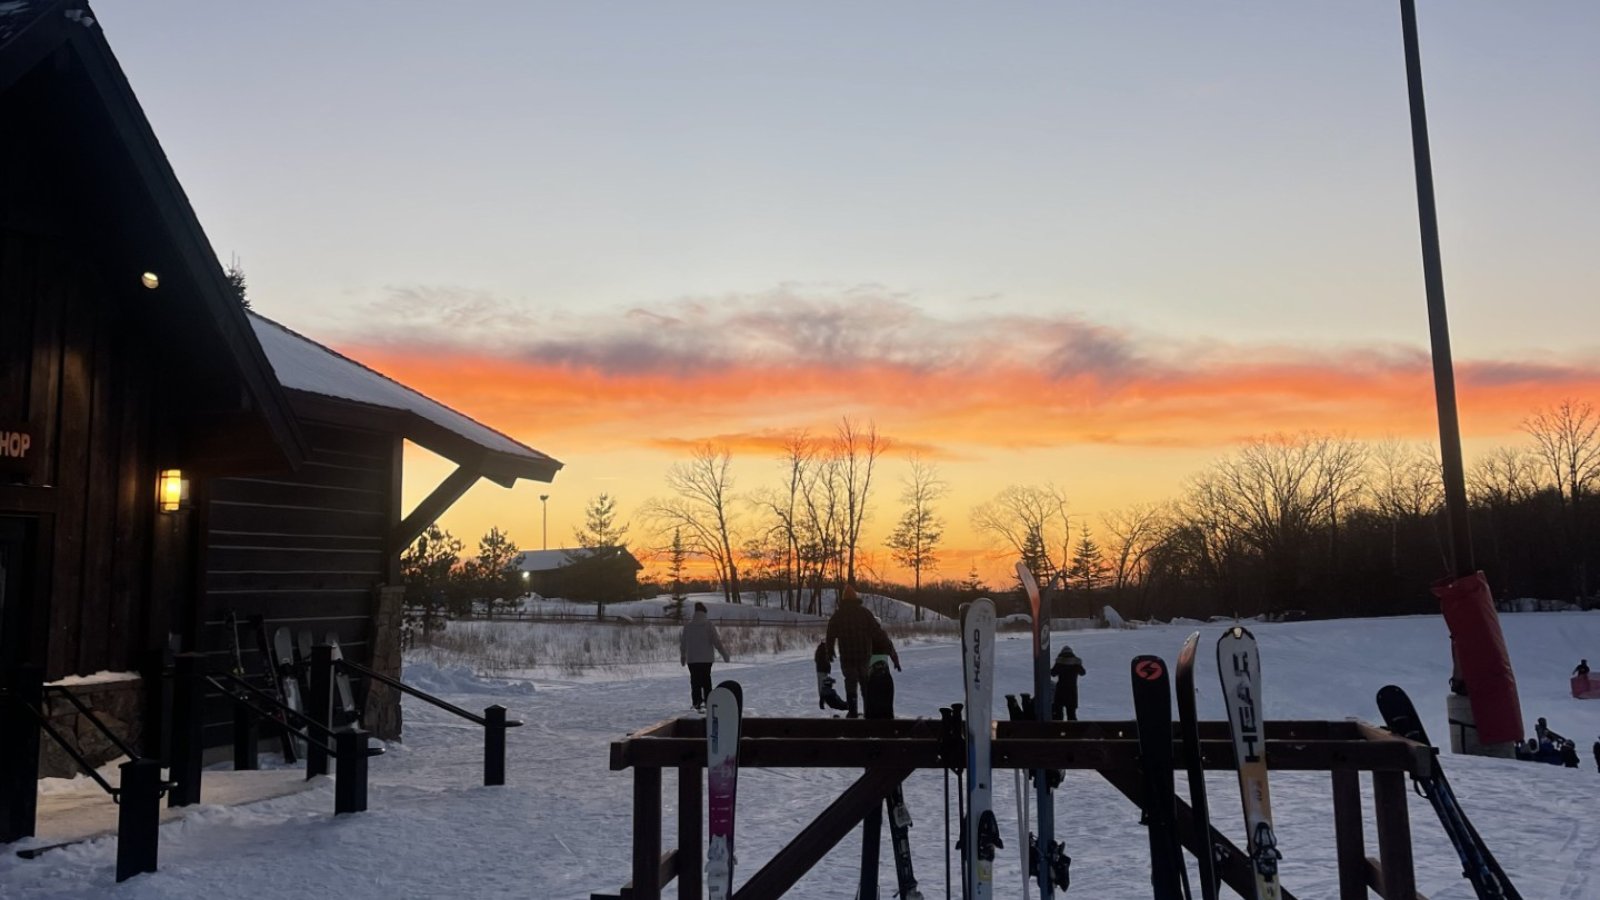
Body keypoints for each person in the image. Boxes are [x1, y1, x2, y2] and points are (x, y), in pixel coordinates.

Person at [825, 584, 883, 718]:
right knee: (865, 683)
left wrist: (830, 650)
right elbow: (876, 632)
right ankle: (869, 711)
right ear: (856, 597)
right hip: (864, 656)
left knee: (850, 683)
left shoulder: (838, 616)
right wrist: (885, 646)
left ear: (844, 598)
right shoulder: (865, 613)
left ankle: (853, 712)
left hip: (847, 657)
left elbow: (830, 634)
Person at [680, 602, 729, 711]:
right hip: (706, 660)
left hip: (692, 660)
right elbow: (716, 642)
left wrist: (683, 656)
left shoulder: (688, 627)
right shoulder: (709, 626)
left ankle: (696, 703)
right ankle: (708, 702)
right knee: (706, 680)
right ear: (704, 613)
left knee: (695, 682)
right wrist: (724, 654)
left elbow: (683, 643)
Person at [1050, 645, 1087, 721]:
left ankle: (1058, 727)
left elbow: (1053, 673)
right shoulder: (1076, 663)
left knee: (1058, 714)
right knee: (1071, 714)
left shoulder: (1060, 663)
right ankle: (1072, 728)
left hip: (1061, 690)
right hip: (1072, 690)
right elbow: (1083, 673)